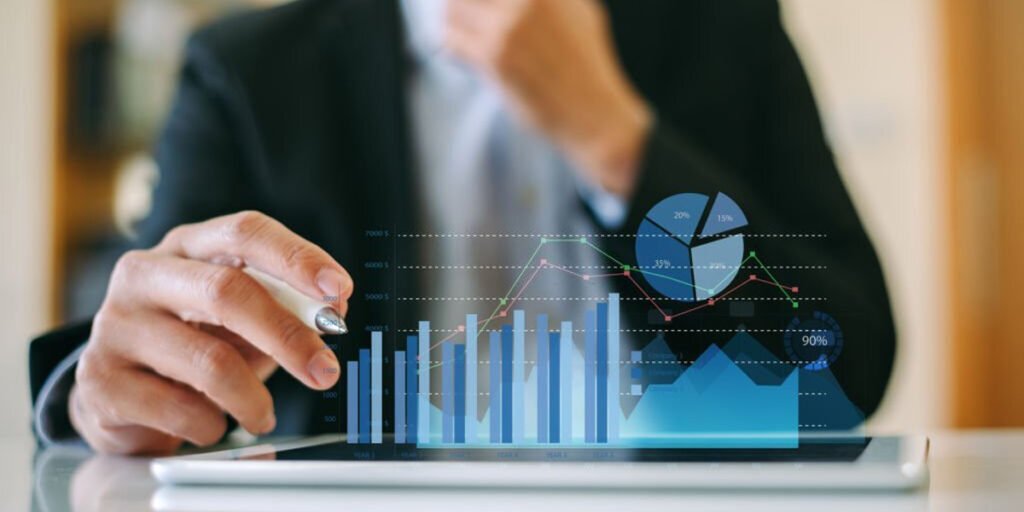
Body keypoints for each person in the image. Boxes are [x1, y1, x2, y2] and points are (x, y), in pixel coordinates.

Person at [30, 0, 895, 455]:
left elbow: (846, 369)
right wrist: (108, 393)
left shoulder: (726, 28)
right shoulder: (247, 73)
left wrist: (616, 137)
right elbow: (151, 343)